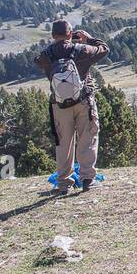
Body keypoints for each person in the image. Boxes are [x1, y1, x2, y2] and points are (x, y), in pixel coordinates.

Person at [34, 20, 109, 194]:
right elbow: (104, 49)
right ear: (70, 33)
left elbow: (37, 60)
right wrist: (88, 39)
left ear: (53, 35)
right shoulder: (81, 50)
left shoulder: (47, 55)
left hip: (59, 105)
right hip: (84, 102)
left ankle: (63, 184)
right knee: (87, 137)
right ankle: (88, 180)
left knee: (63, 143)